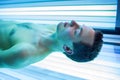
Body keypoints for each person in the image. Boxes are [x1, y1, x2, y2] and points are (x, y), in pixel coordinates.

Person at [0, 20, 103, 69]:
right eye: (79, 25)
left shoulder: (24, 53)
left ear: (67, 48)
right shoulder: (53, 29)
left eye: (76, 31)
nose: (73, 22)